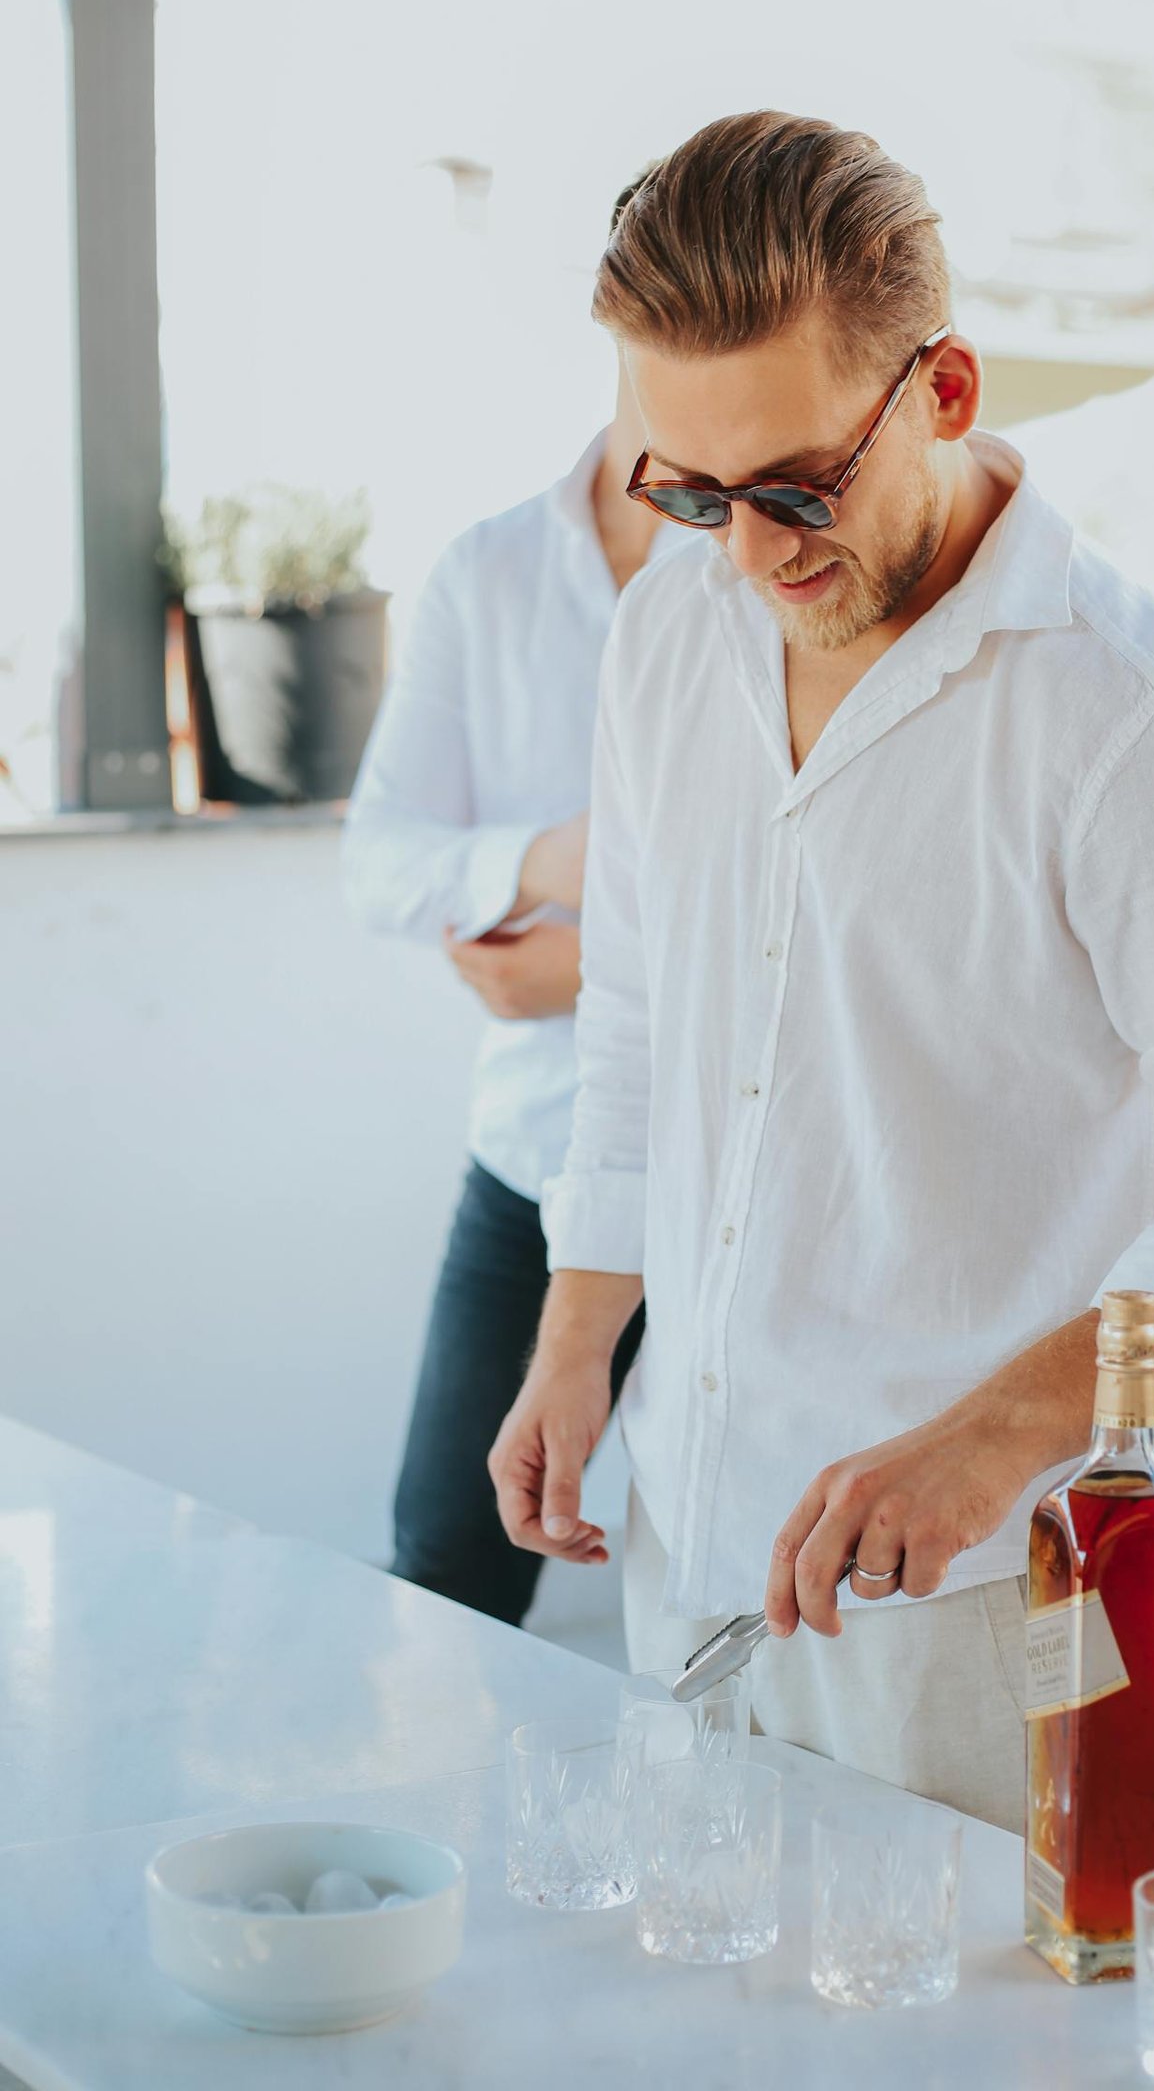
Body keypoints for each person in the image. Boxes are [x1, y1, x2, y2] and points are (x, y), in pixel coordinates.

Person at [486, 112, 1154, 1832]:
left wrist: (990, 1438)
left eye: (795, 489)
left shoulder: (1138, 720)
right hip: (691, 1534)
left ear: (948, 390)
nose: (748, 555)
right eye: (687, 492)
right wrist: (578, 1336)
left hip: (1000, 1599)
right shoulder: (672, 629)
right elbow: (643, 1015)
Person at [342, 175, 669, 1625]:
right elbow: (380, 859)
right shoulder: (487, 570)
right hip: (531, 1161)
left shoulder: (774, 565)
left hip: (736, 1184)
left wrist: (584, 968)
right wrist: (552, 861)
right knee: (443, 1576)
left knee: (735, 1603)